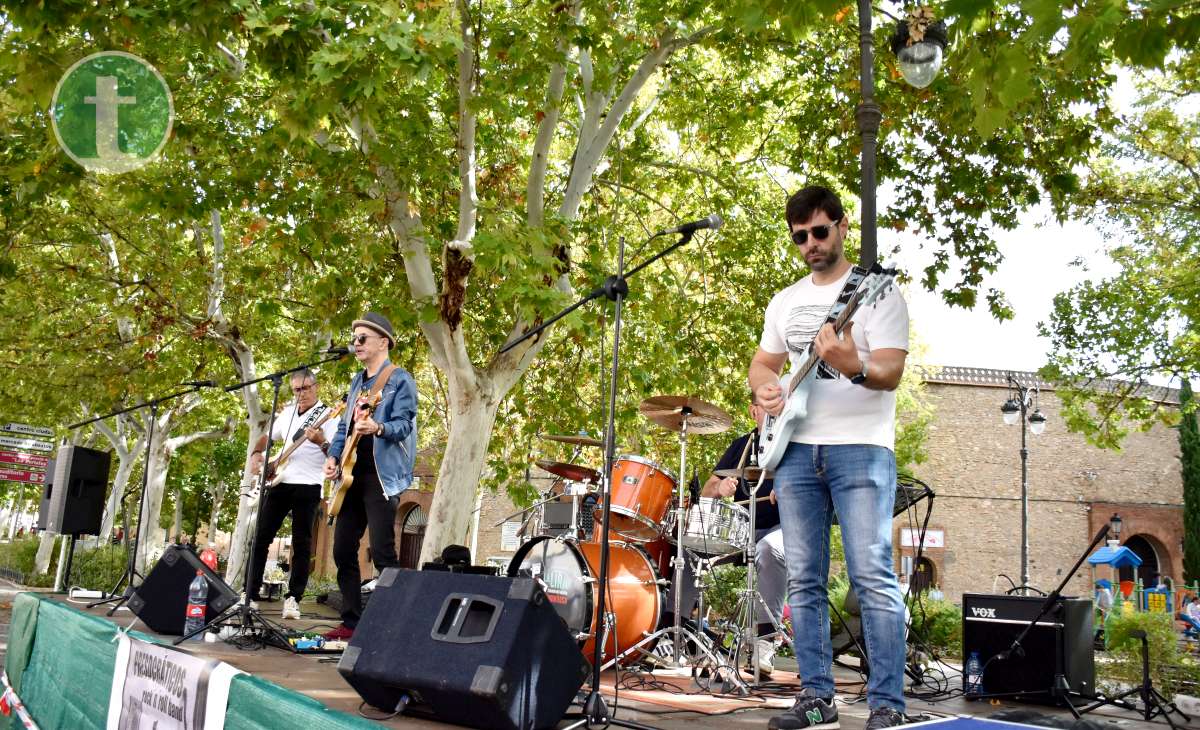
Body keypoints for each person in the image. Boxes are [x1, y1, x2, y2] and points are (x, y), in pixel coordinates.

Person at [749, 185, 910, 730]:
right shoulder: (785, 301)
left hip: (861, 448)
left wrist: (852, 365)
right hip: (795, 450)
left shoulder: (878, 291)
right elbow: (763, 365)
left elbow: (889, 372)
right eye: (801, 237)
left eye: (820, 231)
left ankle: (887, 704)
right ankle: (816, 699)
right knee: (804, 581)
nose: (812, 244)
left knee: (872, 575)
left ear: (842, 226)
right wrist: (765, 392)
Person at [322, 312, 418, 640]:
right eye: (354, 339)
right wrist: (334, 457)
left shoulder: (400, 379)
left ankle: (397, 623)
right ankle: (352, 622)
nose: (356, 344)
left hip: (381, 475)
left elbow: (404, 425)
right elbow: (343, 426)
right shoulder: (356, 382)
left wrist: (377, 427)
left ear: (383, 341)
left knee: (382, 551)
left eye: (362, 338)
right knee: (342, 549)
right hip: (350, 475)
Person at [702, 391, 788, 676]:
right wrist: (720, 488)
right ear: (754, 412)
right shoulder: (742, 445)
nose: (775, 413)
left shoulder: (792, 443)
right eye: (768, 408)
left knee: (768, 549)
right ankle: (671, 630)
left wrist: (788, 488)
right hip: (742, 529)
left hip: (783, 529)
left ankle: (763, 645)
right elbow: (707, 490)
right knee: (691, 546)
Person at [246, 368, 339, 620]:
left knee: (302, 543)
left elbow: (334, 454)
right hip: (279, 482)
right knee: (260, 538)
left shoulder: (329, 415)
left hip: (308, 485)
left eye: (307, 388)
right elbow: (267, 437)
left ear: (316, 387)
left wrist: (320, 441)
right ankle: (250, 595)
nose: (302, 393)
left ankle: (293, 599)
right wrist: (257, 455)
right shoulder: (286, 413)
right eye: (297, 389)